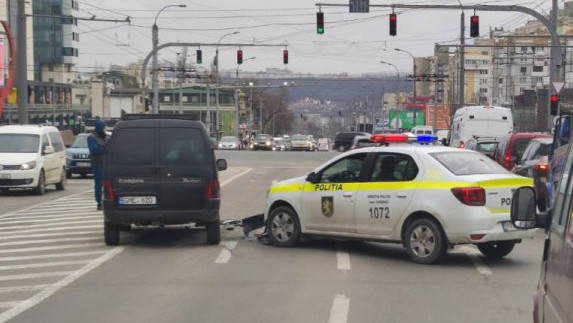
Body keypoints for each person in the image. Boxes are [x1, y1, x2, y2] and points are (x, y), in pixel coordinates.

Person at [88, 120, 107, 210]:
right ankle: (99, 202)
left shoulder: (104, 137)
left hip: (106, 164)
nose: (104, 130)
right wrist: (105, 146)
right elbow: (94, 150)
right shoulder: (91, 138)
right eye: (103, 128)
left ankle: (106, 201)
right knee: (99, 184)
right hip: (97, 164)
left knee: (107, 184)